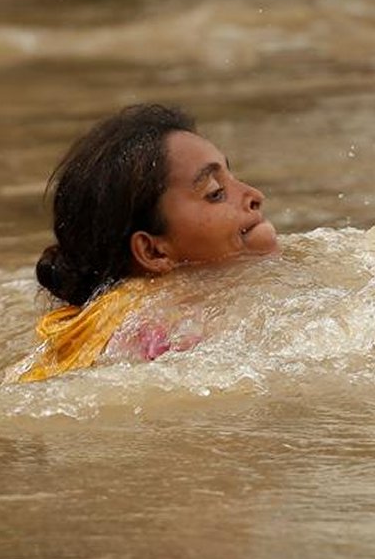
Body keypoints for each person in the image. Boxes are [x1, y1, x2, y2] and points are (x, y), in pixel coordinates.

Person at [15, 103, 278, 382]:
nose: (255, 195)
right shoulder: (165, 333)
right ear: (152, 251)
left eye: (232, 176)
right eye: (215, 193)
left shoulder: (128, 316)